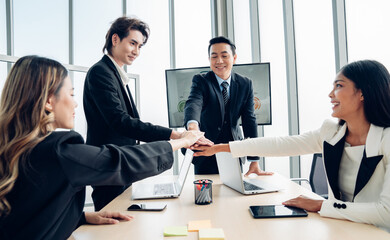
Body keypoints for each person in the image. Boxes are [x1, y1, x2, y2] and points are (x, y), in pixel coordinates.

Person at [0, 56, 202, 240]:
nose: (76, 104)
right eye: (71, 94)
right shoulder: (57, 151)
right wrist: (182, 141)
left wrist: (81, 217)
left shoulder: (15, 146)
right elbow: (120, 161)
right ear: (49, 101)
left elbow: (27, 213)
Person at [192, 60, 390, 232]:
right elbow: (281, 145)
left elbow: (386, 213)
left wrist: (322, 205)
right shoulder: (331, 132)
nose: (331, 94)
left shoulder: (386, 139)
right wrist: (221, 148)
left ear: (362, 93)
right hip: (341, 228)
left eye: (339, 85)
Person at [83, 17, 211, 211]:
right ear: (115, 39)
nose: (136, 51)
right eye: (133, 43)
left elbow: (130, 122)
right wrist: (175, 135)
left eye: (140, 46)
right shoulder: (101, 73)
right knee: (111, 224)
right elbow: (121, 122)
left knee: (122, 220)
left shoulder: (114, 73)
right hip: (109, 165)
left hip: (120, 165)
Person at [184, 36, 272, 176]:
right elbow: (193, 103)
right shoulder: (201, 81)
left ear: (234, 58)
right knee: (205, 196)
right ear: (209, 59)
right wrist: (193, 128)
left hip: (233, 150)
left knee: (234, 193)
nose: (219, 61)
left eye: (224, 55)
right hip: (205, 151)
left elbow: (249, 121)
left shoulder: (245, 84)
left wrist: (254, 160)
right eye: (214, 56)